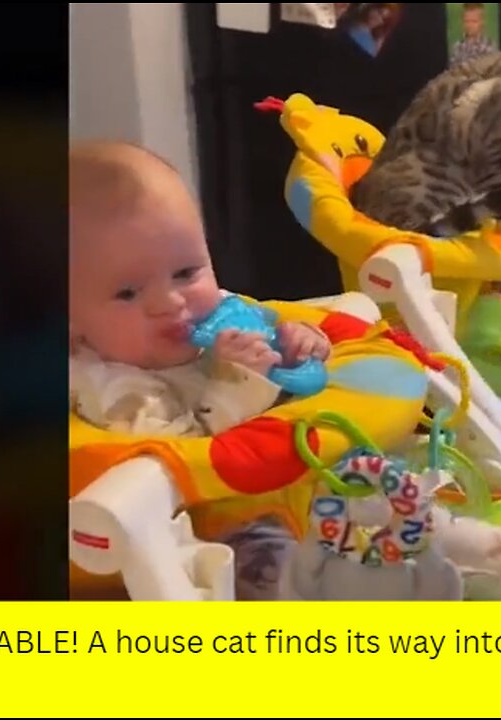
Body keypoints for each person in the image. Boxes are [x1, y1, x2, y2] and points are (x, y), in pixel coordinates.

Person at [68, 140, 332, 598]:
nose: (170, 302)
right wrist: (237, 383)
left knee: (378, 502)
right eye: (128, 293)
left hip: (280, 493)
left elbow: (272, 340)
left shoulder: (215, 317)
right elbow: (186, 463)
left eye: (187, 272)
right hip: (196, 535)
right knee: (285, 575)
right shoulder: (112, 389)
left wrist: (295, 349)